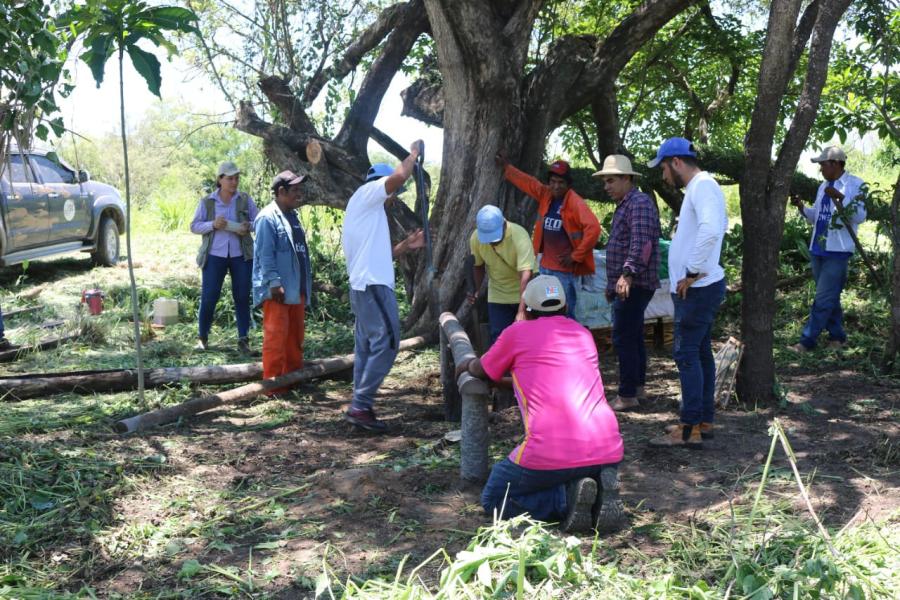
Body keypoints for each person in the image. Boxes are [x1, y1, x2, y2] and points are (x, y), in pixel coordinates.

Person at [456, 275, 625, 533]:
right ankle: (593, 485)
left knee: (494, 499)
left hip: (550, 450)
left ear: (526, 307)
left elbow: (483, 370)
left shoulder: (516, 333)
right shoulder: (582, 334)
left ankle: (566, 498)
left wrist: (465, 365)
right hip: (607, 447)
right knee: (564, 469)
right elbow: (541, 378)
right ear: (565, 306)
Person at [645, 138, 727, 449]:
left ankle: (690, 426)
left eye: (664, 167)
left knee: (686, 355)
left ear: (676, 162)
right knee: (700, 353)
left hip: (698, 288)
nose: (663, 175)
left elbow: (710, 230)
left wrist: (691, 271)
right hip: (698, 287)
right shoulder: (699, 188)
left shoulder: (703, 186)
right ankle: (702, 420)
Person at [342, 141, 426, 433]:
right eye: (391, 194)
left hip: (364, 285)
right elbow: (400, 176)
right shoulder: (368, 194)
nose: (394, 199)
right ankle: (361, 405)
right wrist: (413, 154)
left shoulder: (367, 212)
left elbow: (379, 253)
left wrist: (406, 245)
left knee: (367, 347)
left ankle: (360, 405)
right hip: (372, 285)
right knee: (389, 342)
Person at [495, 152, 601, 317]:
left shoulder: (575, 202)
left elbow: (594, 228)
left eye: (561, 182)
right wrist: (507, 168)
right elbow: (529, 183)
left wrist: (575, 256)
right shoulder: (546, 194)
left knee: (565, 314)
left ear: (568, 184)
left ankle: (568, 342)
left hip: (564, 273)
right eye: (552, 182)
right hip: (545, 268)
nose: (556, 186)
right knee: (544, 312)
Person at [593, 155, 661, 411]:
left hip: (635, 283)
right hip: (631, 283)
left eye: (611, 180)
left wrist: (627, 274)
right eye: (604, 181)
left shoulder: (639, 202)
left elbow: (642, 243)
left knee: (624, 338)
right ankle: (637, 389)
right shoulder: (627, 203)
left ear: (627, 178)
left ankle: (627, 395)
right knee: (631, 337)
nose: (606, 186)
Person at [788, 146, 867, 353]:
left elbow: (859, 216)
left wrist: (841, 197)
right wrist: (802, 208)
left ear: (836, 164)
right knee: (830, 296)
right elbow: (817, 217)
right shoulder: (823, 186)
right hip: (818, 249)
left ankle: (806, 341)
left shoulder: (855, 184)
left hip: (838, 251)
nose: (821, 169)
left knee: (823, 298)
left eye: (823, 164)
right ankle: (837, 337)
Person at [252, 170, 312, 394]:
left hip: (296, 288)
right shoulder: (268, 218)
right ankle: (273, 386)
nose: (300, 194)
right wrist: (274, 283)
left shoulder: (293, 217)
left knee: (295, 337)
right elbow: (265, 255)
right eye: (295, 190)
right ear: (281, 191)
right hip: (278, 289)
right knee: (276, 337)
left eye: (300, 189)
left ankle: (292, 380)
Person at [190, 161, 259, 354]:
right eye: (230, 178)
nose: (234, 182)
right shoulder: (208, 202)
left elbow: (260, 221)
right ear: (220, 180)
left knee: (242, 296)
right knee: (209, 297)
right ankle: (202, 338)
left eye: (236, 178)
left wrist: (248, 226)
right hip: (214, 255)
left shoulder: (245, 200)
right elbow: (194, 226)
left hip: (241, 255)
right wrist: (213, 224)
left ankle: (243, 340)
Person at [467, 205, 536, 343]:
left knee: (526, 336)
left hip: (524, 292)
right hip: (498, 293)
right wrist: (476, 289)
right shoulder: (476, 238)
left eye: (495, 236)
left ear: (504, 224)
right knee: (499, 338)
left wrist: (522, 310)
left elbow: (526, 275)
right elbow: (478, 266)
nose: (492, 242)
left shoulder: (519, 235)